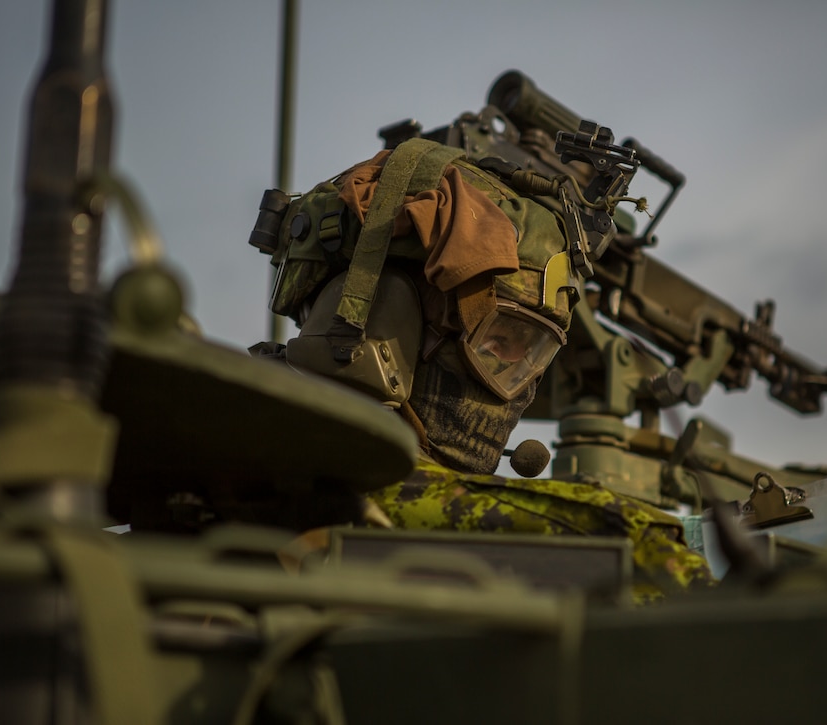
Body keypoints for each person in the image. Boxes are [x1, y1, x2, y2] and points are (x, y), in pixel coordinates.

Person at [287, 139, 716, 602]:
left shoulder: (229, 446)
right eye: (495, 341)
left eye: (531, 356)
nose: (516, 389)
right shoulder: (625, 544)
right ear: (381, 322)